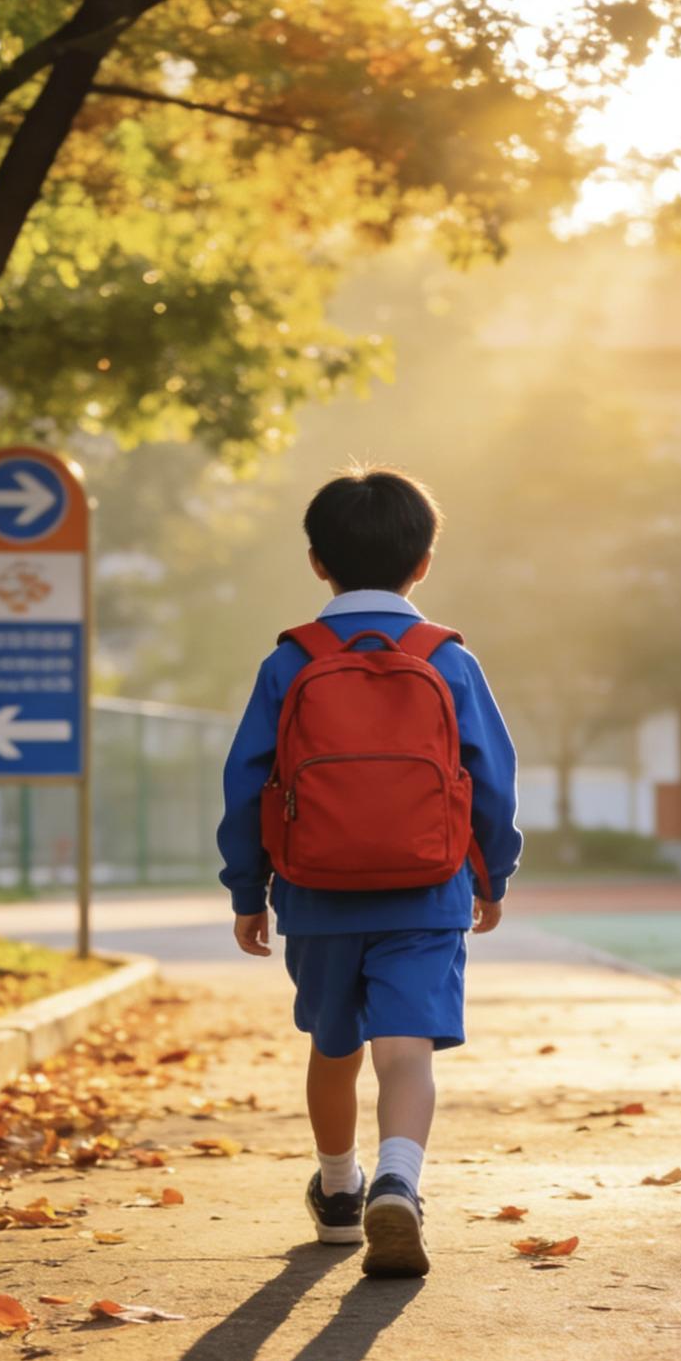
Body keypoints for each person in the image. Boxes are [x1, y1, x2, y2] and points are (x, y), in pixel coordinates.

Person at [217, 466, 522, 1278]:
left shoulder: (291, 660)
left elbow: (248, 781)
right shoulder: (447, 658)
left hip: (316, 894)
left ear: (318, 561)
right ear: (423, 562)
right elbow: (490, 776)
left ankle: (340, 1187)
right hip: (427, 890)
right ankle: (400, 1178)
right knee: (405, 1050)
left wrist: (249, 889)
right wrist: (492, 876)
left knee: (333, 1043)